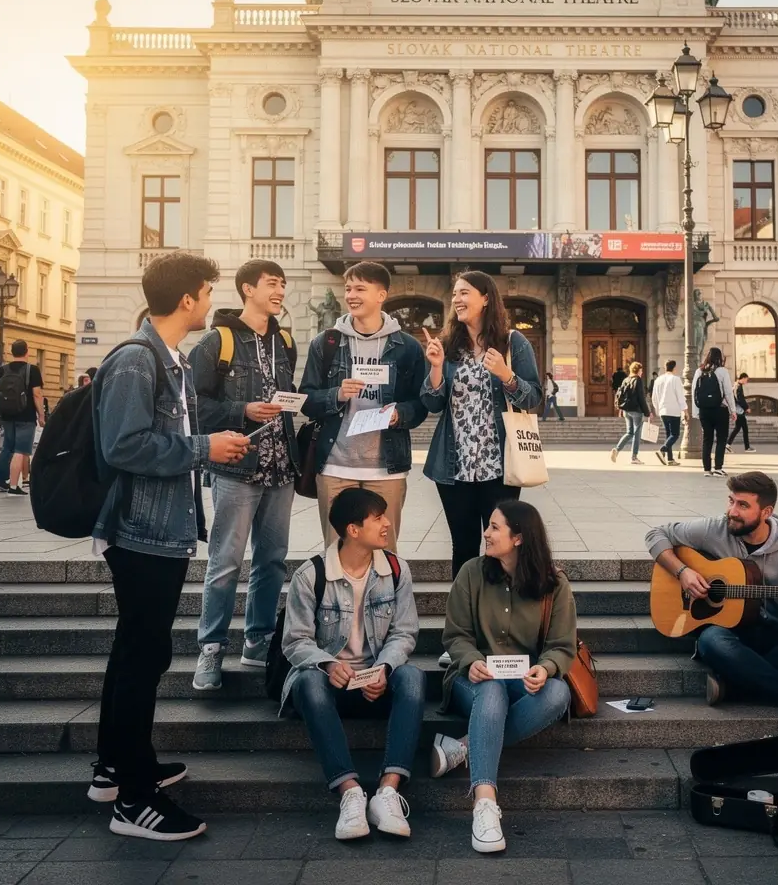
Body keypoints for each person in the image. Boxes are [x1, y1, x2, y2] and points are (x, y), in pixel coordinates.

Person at [88, 251, 251, 841]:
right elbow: (123, 445)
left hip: (159, 531)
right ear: (187, 299)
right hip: (141, 533)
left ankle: (116, 767)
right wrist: (206, 448)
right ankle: (134, 801)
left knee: (139, 652)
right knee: (142, 658)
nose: (210, 301)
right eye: (207, 292)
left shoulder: (169, 359)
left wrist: (207, 442)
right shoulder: (138, 360)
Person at [430, 500, 576, 853]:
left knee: (558, 694)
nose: (486, 533)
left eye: (495, 527)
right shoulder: (471, 572)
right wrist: (471, 660)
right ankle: (484, 803)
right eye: (489, 525)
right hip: (472, 678)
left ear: (519, 538)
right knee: (491, 690)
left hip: (525, 680)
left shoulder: (554, 583)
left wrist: (546, 668)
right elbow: (455, 635)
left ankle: (464, 746)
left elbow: (562, 645)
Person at [281, 487, 423, 841]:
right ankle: (350, 792)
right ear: (353, 529)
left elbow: (404, 633)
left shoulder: (395, 569)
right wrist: (329, 665)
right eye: (378, 518)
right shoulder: (310, 575)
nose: (387, 524)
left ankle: (388, 790)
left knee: (413, 678)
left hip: (376, 683)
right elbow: (295, 641)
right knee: (308, 682)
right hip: (331, 686)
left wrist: (385, 669)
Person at [646, 471, 778, 708]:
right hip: (728, 634)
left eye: (743, 505)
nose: (732, 511)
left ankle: (734, 683)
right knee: (711, 640)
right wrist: (682, 572)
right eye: (731, 501)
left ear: (766, 512)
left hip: (772, 634)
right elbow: (655, 534)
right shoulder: (715, 529)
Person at [188, 260, 300, 691]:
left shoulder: (285, 341)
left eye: (283, 284)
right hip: (237, 466)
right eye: (272, 283)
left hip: (281, 468)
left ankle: (257, 642)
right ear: (247, 289)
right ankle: (211, 648)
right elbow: (194, 405)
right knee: (225, 563)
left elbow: (289, 395)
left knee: (272, 560)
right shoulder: (218, 341)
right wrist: (243, 410)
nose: (280, 290)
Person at [421, 271, 542, 669]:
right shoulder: (447, 345)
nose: (457, 299)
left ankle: (503, 636)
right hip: (454, 466)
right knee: (463, 548)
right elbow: (432, 404)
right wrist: (435, 368)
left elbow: (534, 397)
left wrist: (506, 375)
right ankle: (460, 638)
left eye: (465, 293)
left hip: (498, 465)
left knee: (502, 549)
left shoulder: (512, 342)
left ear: (486, 298)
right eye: (454, 293)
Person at [300, 262, 428, 554]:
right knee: (337, 551)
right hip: (335, 466)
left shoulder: (407, 347)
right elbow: (306, 399)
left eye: (360, 288)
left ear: (381, 295)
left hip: (386, 469)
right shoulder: (326, 343)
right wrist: (336, 394)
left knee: (384, 552)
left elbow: (420, 404)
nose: (351, 295)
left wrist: (399, 414)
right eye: (348, 289)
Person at [0, 340, 45, 495]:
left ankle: (0, 481)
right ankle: (14, 486)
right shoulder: (32, 370)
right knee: (20, 450)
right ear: (27, 351)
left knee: (7, 447)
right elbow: (37, 394)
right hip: (26, 416)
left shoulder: (1, 370)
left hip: (6, 415)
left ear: (12, 352)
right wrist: (41, 415)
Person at [691, 347, 735, 476]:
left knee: (707, 439)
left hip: (704, 410)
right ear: (720, 357)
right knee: (721, 438)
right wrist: (733, 410)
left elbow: (694, 392)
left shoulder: (699, 371)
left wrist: (696, 411)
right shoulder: (722, 371)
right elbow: (728, 392)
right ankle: (718, 468)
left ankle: (706, 469)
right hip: (720, 409)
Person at [611, 362, 653, 465]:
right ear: (638, 370)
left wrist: (621, 410)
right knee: (636, 434)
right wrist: (647, 412)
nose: (642, 372)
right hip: (636, 411)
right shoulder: (637, 380)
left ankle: (617, 449)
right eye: (641, 370)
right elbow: (641, 398)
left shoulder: (626, 379)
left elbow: (621, 395)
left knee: (629, 433)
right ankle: (634, 457)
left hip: (626, 411)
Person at [651, 359, 687, 467]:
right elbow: (680, 396)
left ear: (665, 367)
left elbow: (654, 397)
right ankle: (662, 450)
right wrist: (685, 410)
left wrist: (657, 409)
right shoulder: (675, 379)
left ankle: (670, 459)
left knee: (669, 435)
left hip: (663, 411)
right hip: (673, 410)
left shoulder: (658, 380)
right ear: (674, 368)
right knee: (675, 434)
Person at [725, 373, 757, 455]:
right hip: (739, 411)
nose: (747, 381)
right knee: (745, 429)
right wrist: (746, 408)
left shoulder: (736, 385)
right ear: (743, 378)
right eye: (746, 379)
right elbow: (740, 399)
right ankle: (747, 447)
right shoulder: (738, 386)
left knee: (737, 428)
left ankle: (727, 445)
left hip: (737, 410)